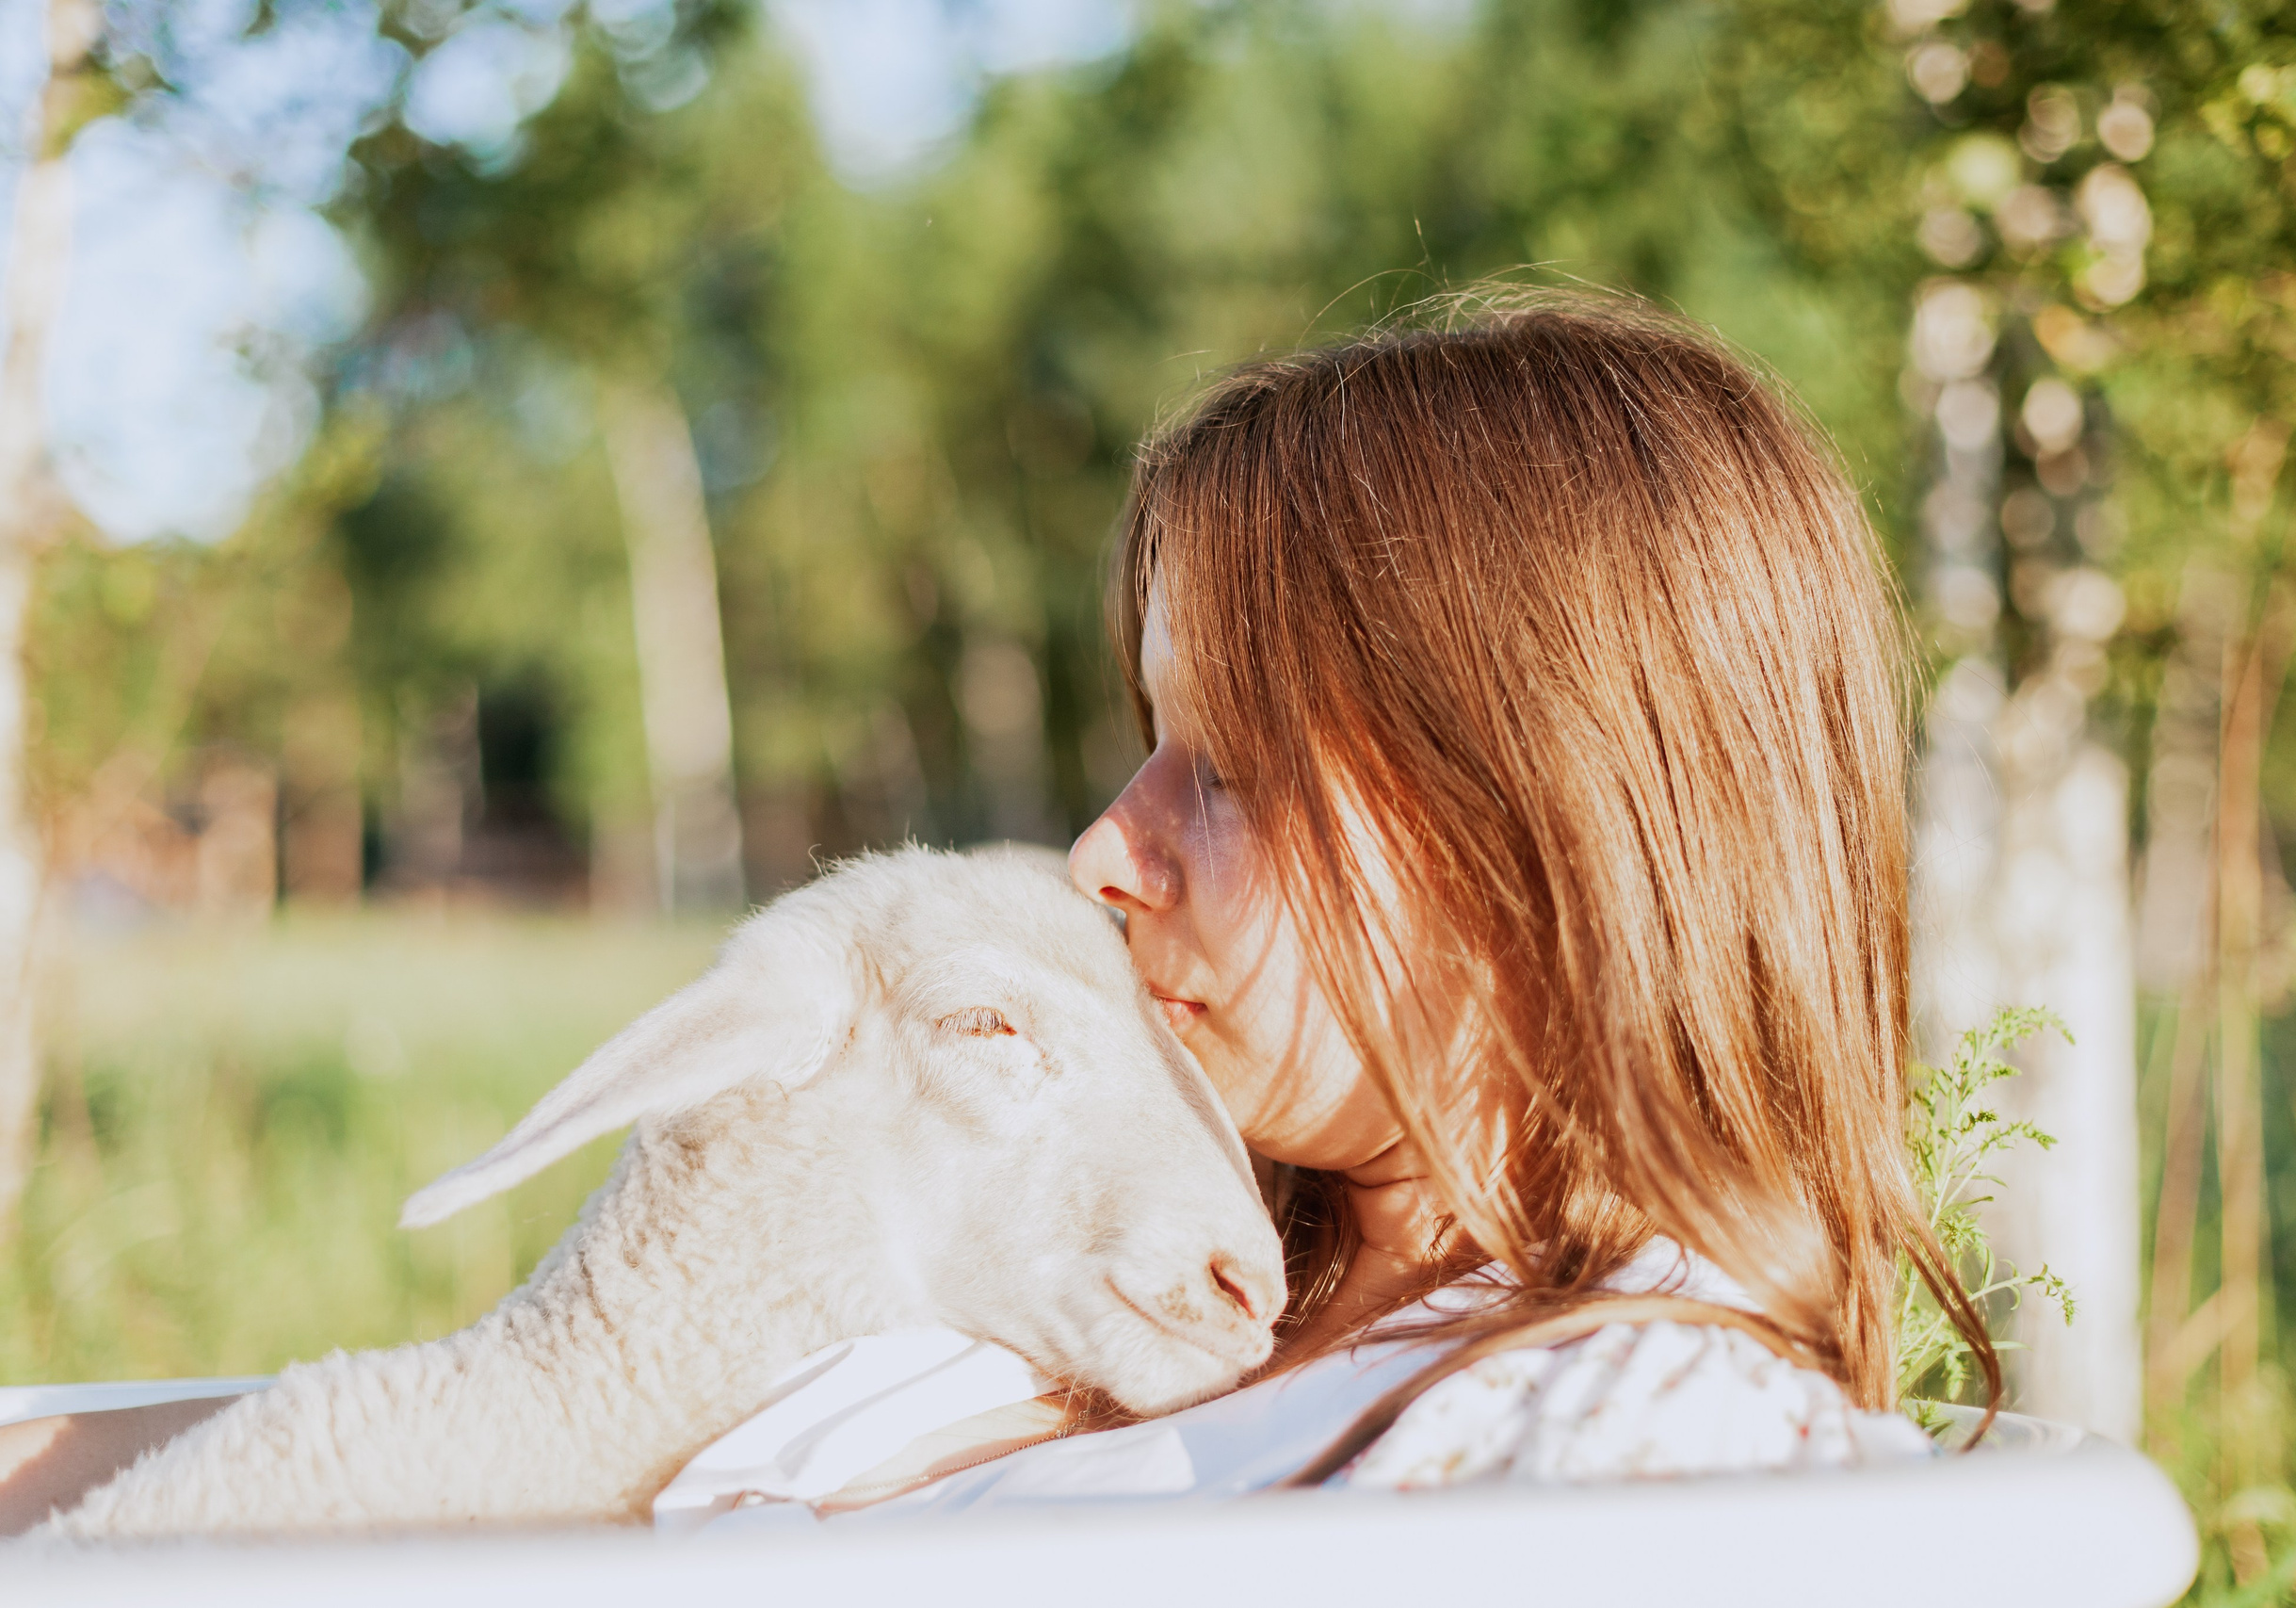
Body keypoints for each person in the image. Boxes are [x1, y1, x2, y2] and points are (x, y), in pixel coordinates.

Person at [0, 287, 1990, 1528]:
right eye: (1151, 745)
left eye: (1231, 767)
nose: (1106, 849)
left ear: (1543, 829)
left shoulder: (1636, 1453)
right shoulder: (1119, 1288)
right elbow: (505, 1434)